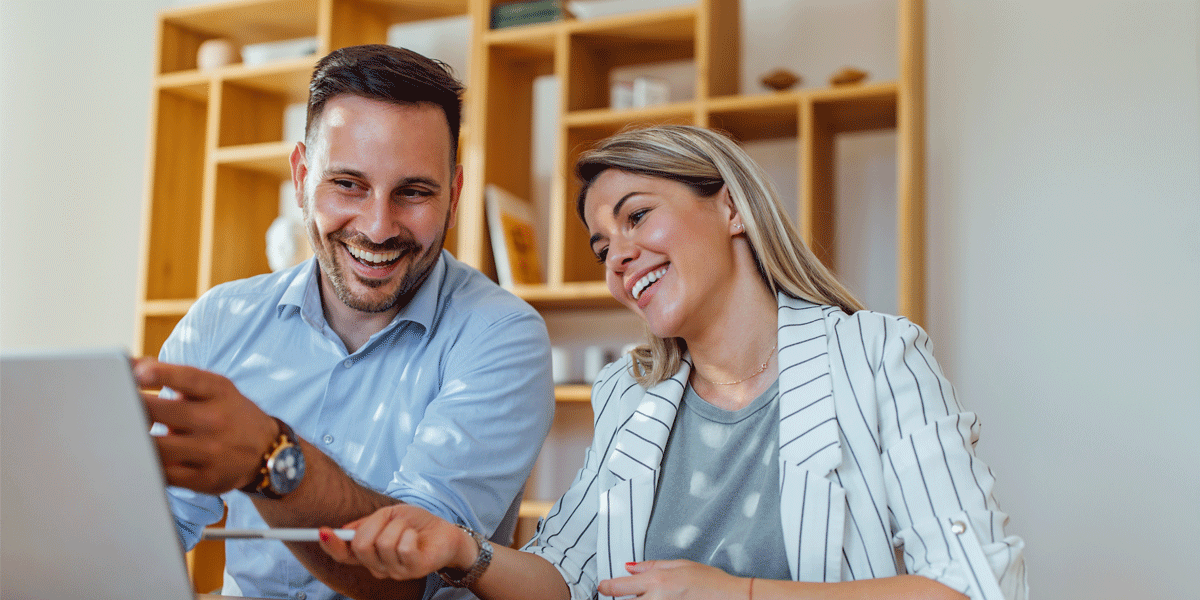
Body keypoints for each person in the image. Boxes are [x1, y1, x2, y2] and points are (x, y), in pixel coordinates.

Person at [316, 125, 1028, 600]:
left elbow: (974, 584)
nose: (617, 256)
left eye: (635, 216)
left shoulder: (877, 355)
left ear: (732, 210)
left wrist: (739, 593)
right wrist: (461, 550)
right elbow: (565, 578)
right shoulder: (630, 394)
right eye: (601, 246)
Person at [135, 45, 555, 600]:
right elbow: (148, 530)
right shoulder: (220, 318)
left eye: (413, 192)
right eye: (348, 184)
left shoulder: (502, 337)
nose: (378, 228)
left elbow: (407, 573)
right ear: (302, 175)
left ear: (453, 194)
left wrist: (271, 459)